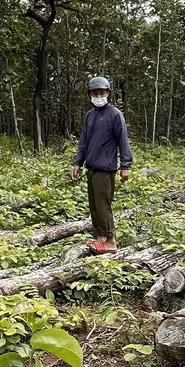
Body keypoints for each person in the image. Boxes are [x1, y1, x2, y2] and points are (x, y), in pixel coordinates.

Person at [71, 76, 133, 254]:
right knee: (94, 204)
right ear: (90, 94)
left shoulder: (115, 114)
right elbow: (84, 142)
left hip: (105, 169)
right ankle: (100, 237)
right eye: (95, 93)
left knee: (103, 204)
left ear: (108, 93)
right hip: (91, 167)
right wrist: (77, 163)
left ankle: (111, 241)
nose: (99, 96)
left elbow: (123, 140)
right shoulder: (90, 116)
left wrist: (125, 165)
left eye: (102, 92)